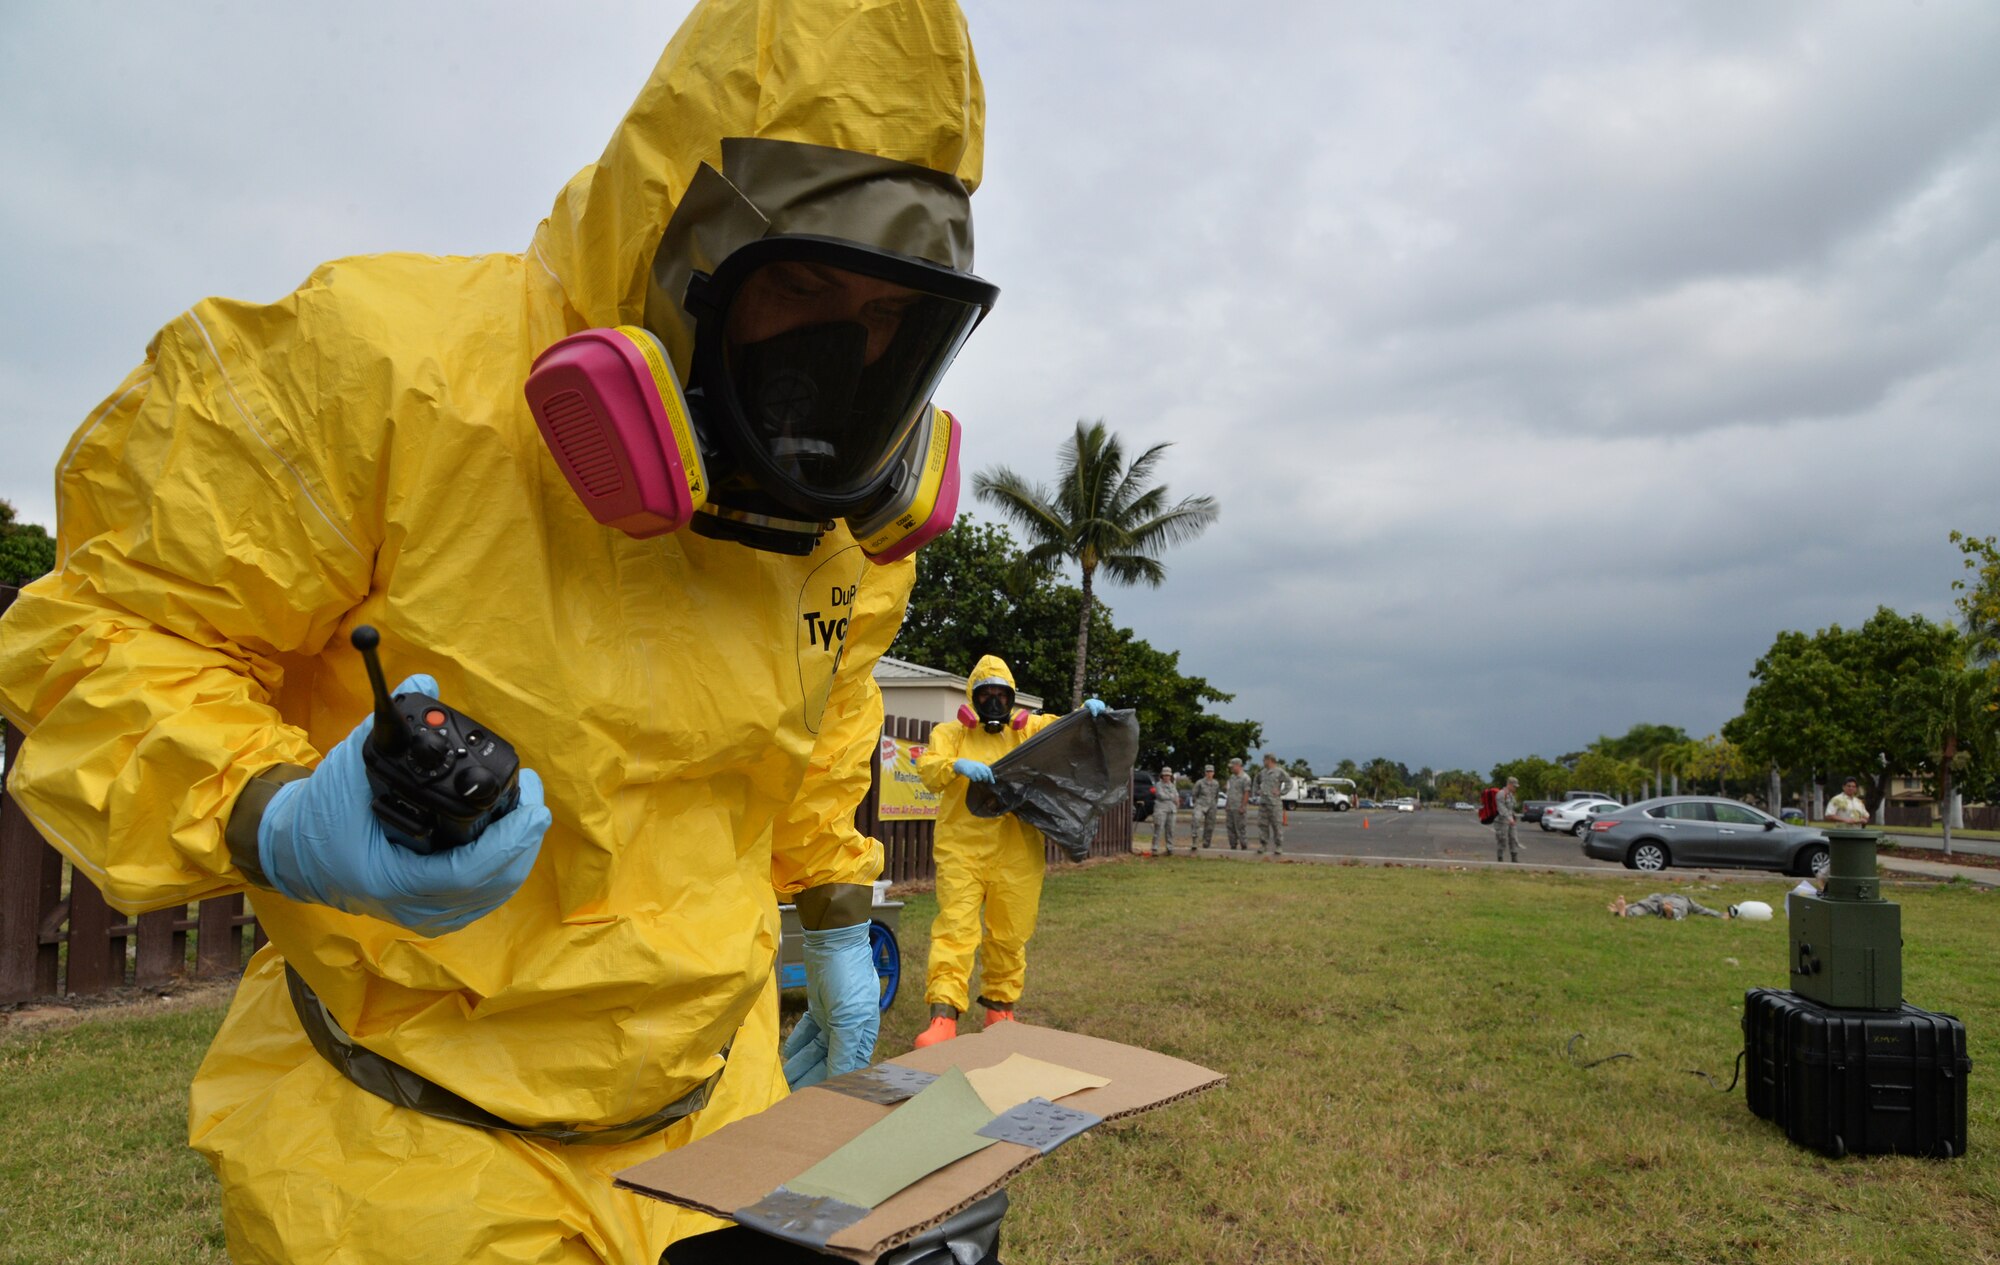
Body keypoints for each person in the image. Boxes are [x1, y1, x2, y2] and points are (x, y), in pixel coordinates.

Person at [0, 3, 997, 1261]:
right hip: (408, 1157)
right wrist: (272, 809)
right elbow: (105, 629)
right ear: (681, 244)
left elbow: (814, 733)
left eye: (882, 321)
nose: (840, 353)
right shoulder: (378, 376)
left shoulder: (844, 526)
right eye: (799, 283)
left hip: (716, 1121)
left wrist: (835, 907)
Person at [912, 657, 1104, 1047]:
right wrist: (955, 765)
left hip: (1017, 853)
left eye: (1002, 695)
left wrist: (1086, 716)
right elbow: (929, 770)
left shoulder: (1028, 730)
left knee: (1010, 932)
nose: (995, 702)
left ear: (1012, 699)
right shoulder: (950, 734)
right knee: (955, 931)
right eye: (987, 695)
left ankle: (1000, 1009)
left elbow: (1062, 733)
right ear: (973, 698)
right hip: (961, 850)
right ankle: (943, 1017)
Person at [1256, 754, 1287, 858]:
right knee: (1262, 825)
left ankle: (1278, 846)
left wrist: (1281, 792)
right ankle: (1263, 845)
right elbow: (1256, 782)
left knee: (1276, 825)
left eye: (1264, 760)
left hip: (1274, 803)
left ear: (1269, 760)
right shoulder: (1262, 772)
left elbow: (1289, 782)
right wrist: (1257, 791)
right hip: (1263, 803)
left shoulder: (1279, 772)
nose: (1263, 762)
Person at [1610, 893, 1732, 920]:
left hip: (1660, 900)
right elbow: (1704, 910)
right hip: (1664, 901)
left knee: (1644, 906)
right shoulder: (1687, 900)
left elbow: (1705, 910)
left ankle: (1624, 911)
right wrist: (1720, 915)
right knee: (1645, 905)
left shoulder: (1686, 900)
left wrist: (1720, 915)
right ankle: (1671, 912)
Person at [1224, 757, 1253, 851]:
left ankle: (1244, 847)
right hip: (1230, 807)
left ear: (1238, 766)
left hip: (1239, 807)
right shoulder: (1232, 777)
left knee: (1240, 829)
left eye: (1232, 767)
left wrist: (1243, 806)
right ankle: (1233, 846)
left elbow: (1246, 793)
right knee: (1230, 828)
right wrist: (1227, 804)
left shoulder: (1245, 778)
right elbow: (1230, 791)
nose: (1231, 768)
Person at [1152, 766, 1181, 856]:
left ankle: (1170, 848)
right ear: (1162, 775)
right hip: (1161, 809)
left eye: (1168, 775)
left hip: (1172, 810)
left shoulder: (1172, 785)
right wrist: (1172, 797)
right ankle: (1155, 848)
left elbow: (1177, 796)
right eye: (1165, 775)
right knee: (1158, 829)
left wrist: (1175, 799)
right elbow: (1161, 795)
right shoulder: (1158, 784)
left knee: (1170, 830)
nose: (1166, 777)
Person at [1192, 763, 1221, 849]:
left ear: (1213, 773)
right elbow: (1194, 794)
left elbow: (1217, 795)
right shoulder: (1200, 782)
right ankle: (1195, 842)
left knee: (1210, 826)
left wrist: (1214, 805)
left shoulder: (1216, 783)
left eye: (1211, 772)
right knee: (1196, 820)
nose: (1209, 773)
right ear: (1205, 773)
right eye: (1207, 772)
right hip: (1201, 804)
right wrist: (1197, 803)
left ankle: (1206, 844)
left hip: (1212, 805)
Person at [1494, 776, 1521, 863]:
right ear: (1509, 784)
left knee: (1514, 838)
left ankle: (1514, 858)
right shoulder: (1501, 794)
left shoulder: (1511, 795)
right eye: (1514, 786)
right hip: (1502, 821)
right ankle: (1500, 858)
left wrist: (1513, 817)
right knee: (1502, 839)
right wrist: (1509, 818)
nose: (1515, 788)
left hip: (1511, 821)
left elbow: (1512, 808)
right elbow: (1501, 808)